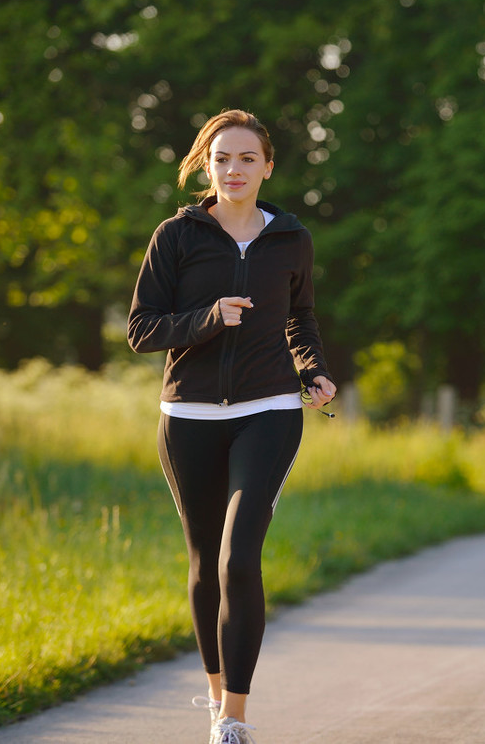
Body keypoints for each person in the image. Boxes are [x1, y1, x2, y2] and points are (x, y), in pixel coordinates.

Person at [127, 109, 336, 744]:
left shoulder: (291, 238)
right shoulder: (176, 237)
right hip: (187, 415)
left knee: (239, 557)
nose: (234, 169)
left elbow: (298, 317)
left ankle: (234, 722)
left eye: (248, 158)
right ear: (205, 165)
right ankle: (216, 700)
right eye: (222, 158)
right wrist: (208, 317)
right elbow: (141, 330)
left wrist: (313, 371)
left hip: (268, 411)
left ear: (268, 167)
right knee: (203, 563)